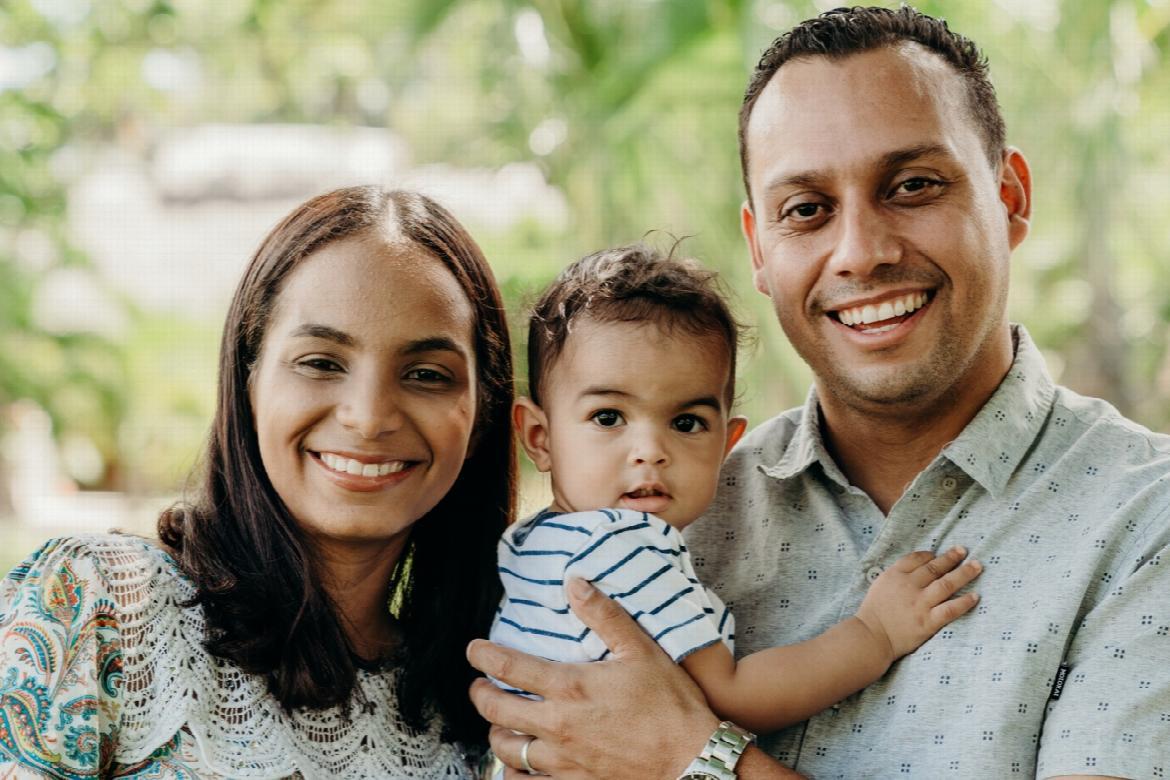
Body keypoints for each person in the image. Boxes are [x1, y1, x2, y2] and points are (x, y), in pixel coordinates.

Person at [467, 6, 1170, 779]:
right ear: (760, 247)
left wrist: (691, 761)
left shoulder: (1144, 524)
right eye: (806, 209)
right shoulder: (677, 507)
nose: (861, 252)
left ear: (1009, 198)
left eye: (912, 186)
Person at [0, 185, 516, 778]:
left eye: (426, 374)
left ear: (483, 415)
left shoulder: (484, 711)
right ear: (248, 381)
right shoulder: (97, 606)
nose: (369, 416)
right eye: (321, 362)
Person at [489, 244, 981, 742]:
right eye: (608, 417)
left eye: (687, 423)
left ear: (728, 443)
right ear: (539, 437)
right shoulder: (626, 547)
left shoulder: (533, 542)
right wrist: (876, 633)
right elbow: (734, 697)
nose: (651, 450)